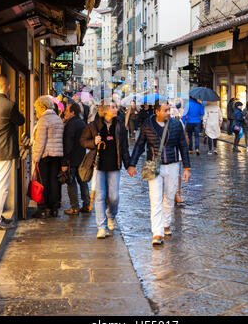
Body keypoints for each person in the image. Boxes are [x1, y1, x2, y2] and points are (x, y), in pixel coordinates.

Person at [127, 101, 191, 246]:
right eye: (165, 110)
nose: (169, 112)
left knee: (169, 196)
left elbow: (182, 145)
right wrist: (132, 164)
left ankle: (166, 223)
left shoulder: (176, 125)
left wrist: (187, 168)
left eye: (169, 110)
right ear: (157, 111)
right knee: (155, 199)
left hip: (173, 165)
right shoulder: (147, 125)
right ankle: (157, 233)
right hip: (152, 164)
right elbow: (139, 146)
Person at [80, 101, 130, 239]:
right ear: (105, 110)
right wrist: (93, 142)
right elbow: (83, 141)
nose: (116, 109)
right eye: (113, 107)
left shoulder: (119, 125)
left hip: (115, 166)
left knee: (114, 197)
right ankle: (101, 227)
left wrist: (129, 165)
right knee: (100, 196)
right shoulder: (94, 125)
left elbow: (124, 147)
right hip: (99, 165)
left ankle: (111, 215)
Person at [0, 74, 25, 230]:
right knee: (2, 185)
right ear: (7, 86)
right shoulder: (10, 105)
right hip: (4, 150)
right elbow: (21, 120)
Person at [32, 96, 64, 218]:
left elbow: (41, 141)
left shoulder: (43, 120)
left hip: (45, 155)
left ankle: (42, 209)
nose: (36, 112)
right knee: (54, 182)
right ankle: (54, 208)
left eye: (37, 109)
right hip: (57, 155)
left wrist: (36, 157)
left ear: (43, 107)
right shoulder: (58, 119)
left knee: (43, 182)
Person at [61, 103, 90, 215]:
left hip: (72, 159)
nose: (65, 112)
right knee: (82, 181)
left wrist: (65, 161)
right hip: (81, 157)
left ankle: (74, 207)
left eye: (67, 110)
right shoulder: (82, 123)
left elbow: (68, 145)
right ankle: (86, 204)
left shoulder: (71, 125)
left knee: (71, 182)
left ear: (73, 112)